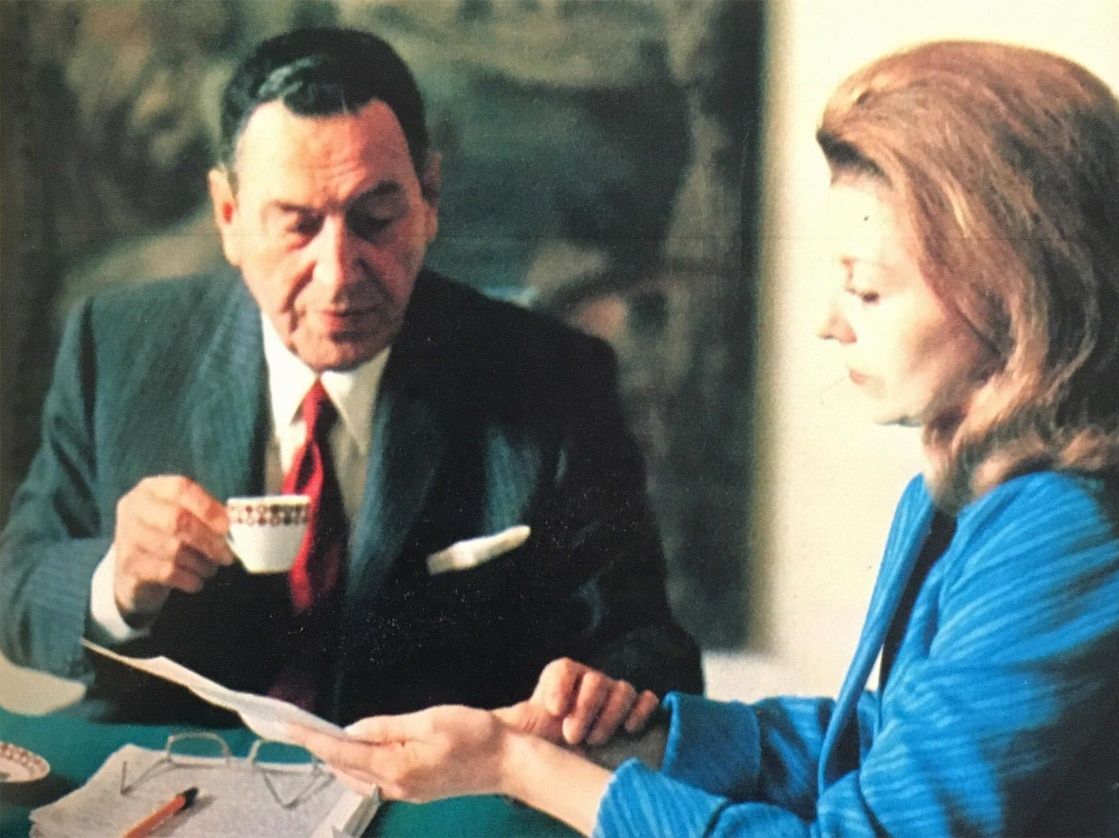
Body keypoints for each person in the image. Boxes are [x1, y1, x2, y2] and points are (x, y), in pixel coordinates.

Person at [291, 40, 1119, 836]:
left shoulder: (1066, 536)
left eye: (867, 289)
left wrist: (522, 767)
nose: (831, 324)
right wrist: (641, 740)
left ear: (1013, 291)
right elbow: (889, 743)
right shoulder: (979, 488)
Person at [0, 27, 702, 726]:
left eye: (376, 219)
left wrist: (608, 690)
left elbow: (649, 651)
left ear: (429, 199)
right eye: (298, 226)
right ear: (229, 217)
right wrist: (115, 581)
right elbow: (16, 590)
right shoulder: (116, 346)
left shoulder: (553, 379)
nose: (338, 276)